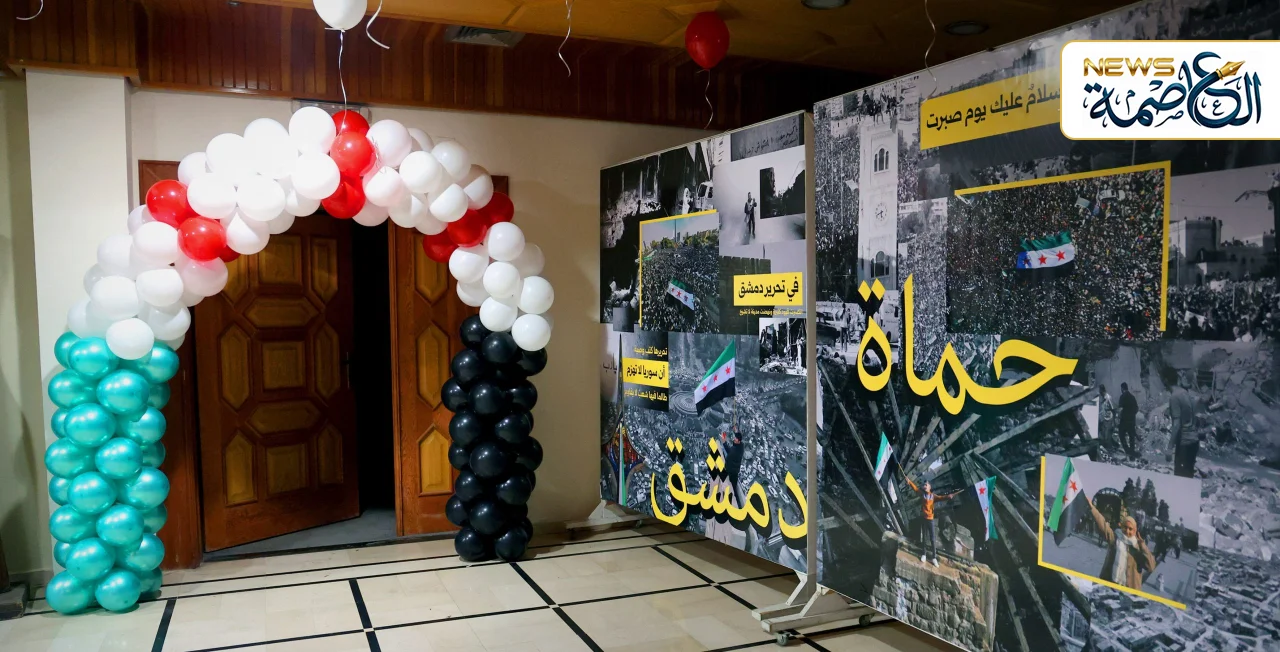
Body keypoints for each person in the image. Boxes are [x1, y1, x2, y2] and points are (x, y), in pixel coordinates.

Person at [1086, 494, 1156, 589]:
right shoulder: (1115, 538)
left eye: (1130, 529)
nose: (1127, 531)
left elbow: (1151, 567)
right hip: (1109, 584)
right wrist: (1092, 507)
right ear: (1121, 526)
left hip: (1127, 589)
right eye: (1125, 527)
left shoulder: (1138, 546)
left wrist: (1143, 546)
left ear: (1135, 530)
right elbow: (1102, 524)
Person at [904, 477, 961, 567]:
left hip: (930, 519)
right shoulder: (922, 494)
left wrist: (948, 496)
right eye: (924, 485)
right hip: (924, 518)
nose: (924, 486)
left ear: (930, 487)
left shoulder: (933, 496)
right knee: (924, 537)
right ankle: (924, 554)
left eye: (926, 485)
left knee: (932, 539)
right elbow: (915, 488)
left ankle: (934, 558)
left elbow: (941, 498)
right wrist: (909, 481)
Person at [1168, 370, 1198, 477]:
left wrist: (1170, 448)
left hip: (1184, 443)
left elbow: (1176, 425)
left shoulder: (1175, 396)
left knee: (1180, 477)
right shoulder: (1192, 396)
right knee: (1188, 476)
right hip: (1194, 442)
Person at [1118, 382, 1139, 458]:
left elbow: (1120, 409)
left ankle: (1127, 450)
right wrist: (1132, 415)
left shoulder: (1122, 397)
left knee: (1121, 434)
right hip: (1132, 420)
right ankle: (1132, 451)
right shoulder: (1132, 397)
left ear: (1122, 388)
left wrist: (1119, 417)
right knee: (1131, 436)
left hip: (1124, 420)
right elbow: (1136, 408)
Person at [1099, 384, 1116, 448]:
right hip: (1104, 418)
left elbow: (1113, 409)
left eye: (1100, 391)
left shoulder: (1108, 398)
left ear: (1102, 390)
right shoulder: (1102, 397)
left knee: (1107, 434)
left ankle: (1110, 447)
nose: (1100, 393)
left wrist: (1114, 421)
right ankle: (1108, 446)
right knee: (1103, 434)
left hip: (1109, 418)